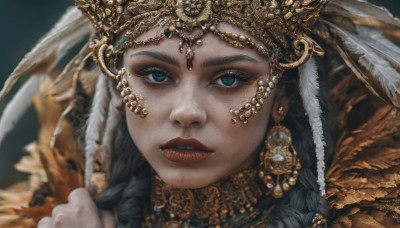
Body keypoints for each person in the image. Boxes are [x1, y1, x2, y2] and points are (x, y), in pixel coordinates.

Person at [0, 0, 399, 227]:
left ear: (284, 97)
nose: (186, 112)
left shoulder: (373, 217)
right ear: (117, 85)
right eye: (155, 74)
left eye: (229, 79)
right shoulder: (51, 213)